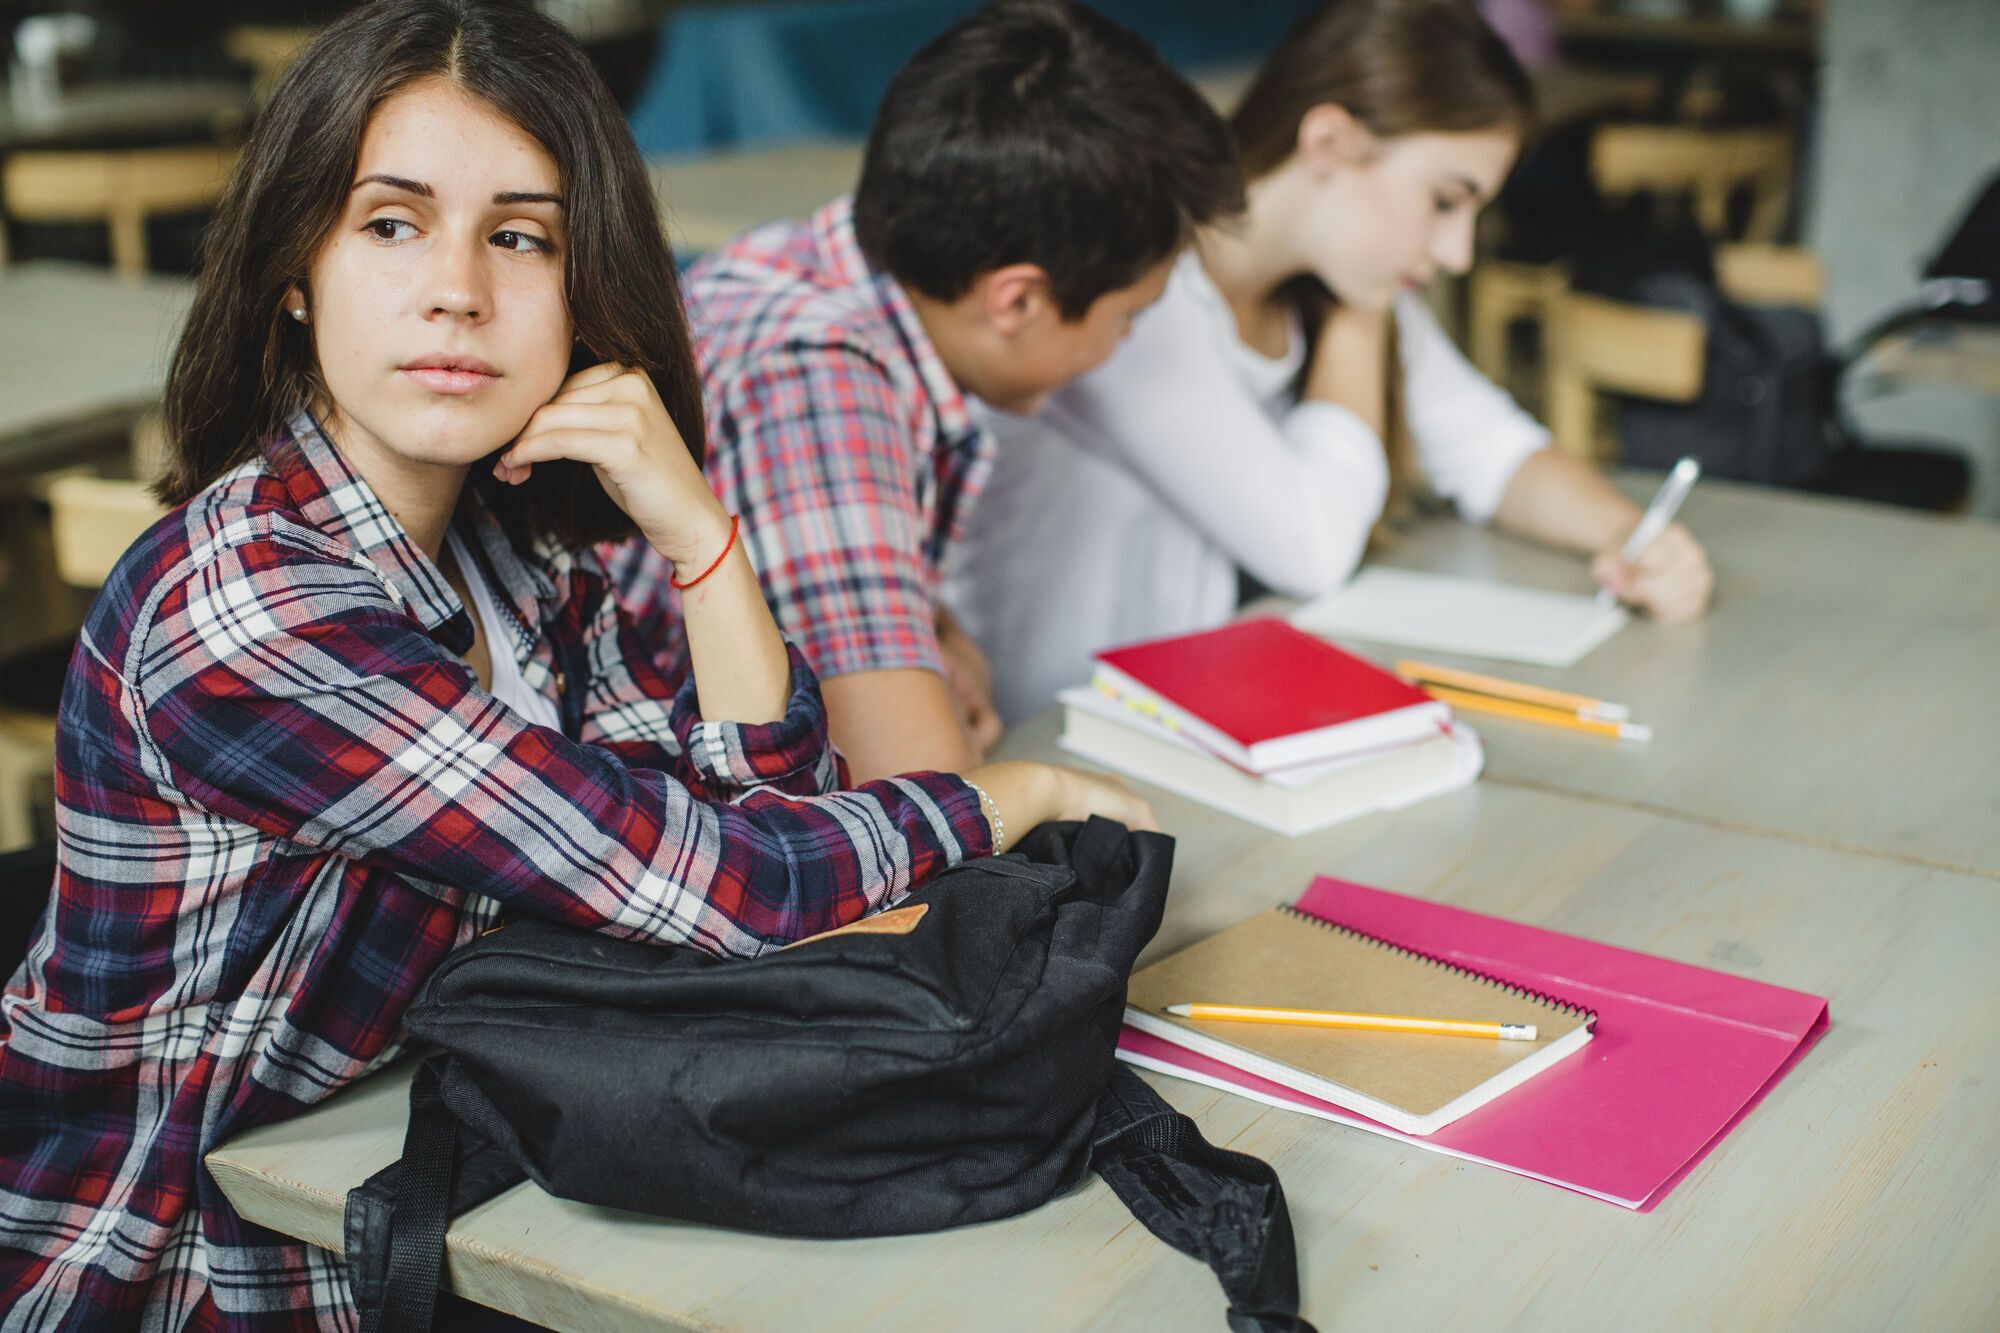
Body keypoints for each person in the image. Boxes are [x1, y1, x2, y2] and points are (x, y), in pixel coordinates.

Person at [0, 3, 1150, 1326]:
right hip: (194, 1265)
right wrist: (1012, 795)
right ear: (295, 268)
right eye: (391, 222)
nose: (458, 290)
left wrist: (702, 536)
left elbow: (760, 813)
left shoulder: (510, 561)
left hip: (433, 1186)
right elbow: (727, 885)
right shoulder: (254, 608)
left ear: (582, 285)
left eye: (520, 237)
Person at [947, 0, 1718, 725]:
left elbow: (1493, 449)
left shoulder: (1339, 282)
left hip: (1193, 710)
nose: (1455, 252)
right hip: (1053, 729)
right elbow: (1311, 547)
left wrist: (1631, 535)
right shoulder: (1134, 295)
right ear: (1328, 145)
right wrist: (1364, 316)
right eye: (1446, 201)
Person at [612, 0, 1245, 781]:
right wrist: (937, 719)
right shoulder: (818, 374)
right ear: (1014, 300)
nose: (1124, 347)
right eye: (1129, 316)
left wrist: (937, 641)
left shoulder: (817, 263)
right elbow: (912, 785)